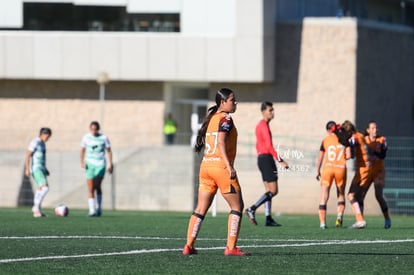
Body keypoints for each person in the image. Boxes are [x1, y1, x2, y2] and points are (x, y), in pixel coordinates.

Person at [183, 88, 250, 256]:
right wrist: (229, 166)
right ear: (222, 102)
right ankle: (231, 247)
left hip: (206, 167)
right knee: (237, 206)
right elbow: (220, 142)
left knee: (200, 209)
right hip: (221, 168)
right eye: (232, 100)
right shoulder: (225, 118)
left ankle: (188, 246)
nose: (235, 103)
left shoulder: (211, 118)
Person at [244, 102, 289, 227]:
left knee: (268, 191)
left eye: (273, 110)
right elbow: (269, 147)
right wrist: (281, 160)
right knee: (274, 191)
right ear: (263, 111)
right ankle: (251, 209)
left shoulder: (261, 125)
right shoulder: (263, 125)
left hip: (261, 159)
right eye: (270, 110)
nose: (272, 112)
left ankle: (268, 218)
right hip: (266, 159)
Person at [315, 121, 351, 229]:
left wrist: (317, 170)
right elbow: (348, 156)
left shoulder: (325, 140)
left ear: (328, 130)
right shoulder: (344, 139)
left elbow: (321, 157)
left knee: (324, 195)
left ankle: (322, 223)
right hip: (340, 169)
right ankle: (339, 217)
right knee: (340, 194)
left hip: (328, 169)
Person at [342, 120, 372, 229]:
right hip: (369, 167)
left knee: (351, 195)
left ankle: (360, 220)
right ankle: (360, 220)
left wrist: (343, 156)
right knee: (359, 197)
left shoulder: (354, 137)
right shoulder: (361, 135)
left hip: (362, 169)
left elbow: (352, 155)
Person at [80, 121, 113, 217]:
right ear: (90, 129)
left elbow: (109, 151)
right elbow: (82, 150)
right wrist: (81, 161)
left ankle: (99, 208)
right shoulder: (86, 138)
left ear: (98, 129)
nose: (93, 131)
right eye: (92, 129)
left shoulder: (103, 138)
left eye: (95, 129)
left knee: (97, 186)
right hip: (89, 165)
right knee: (90, 188)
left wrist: (111, 164)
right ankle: (92, 211)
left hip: (100, 165)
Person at [364, 121, 391, 229]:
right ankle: (360, 220)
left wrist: (373, 151)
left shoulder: (382, 140)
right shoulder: (364, 140)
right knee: (361, 195)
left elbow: (383, 155)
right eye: (373, 128)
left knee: (378, 195)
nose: (375, 130)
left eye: (376, 128)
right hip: (367, 171)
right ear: (368, 130)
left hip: (378, 171)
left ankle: (387, 218)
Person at [25, 127, 52, 218]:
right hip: (36, 169)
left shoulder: (42, 144)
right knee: (45, 188)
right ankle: (36, 207)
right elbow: (28, 155)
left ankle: (38, 209)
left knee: (40, 189)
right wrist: (27, 169)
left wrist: (45, 168)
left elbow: (40, 157)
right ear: (42, 134)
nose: (48, 138)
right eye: (47, 136)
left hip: (41, 169)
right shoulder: (35, 142)